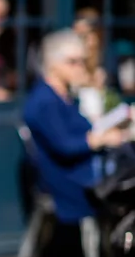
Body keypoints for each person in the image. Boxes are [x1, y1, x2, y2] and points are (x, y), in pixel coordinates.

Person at [22, 29, 126, 223]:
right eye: (73, 61)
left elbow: (84, 131)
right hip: (72, 179)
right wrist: (101, 139)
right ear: (53, 63)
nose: (80, 67)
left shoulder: (63, 96)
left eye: (82, 61)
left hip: (87, 169)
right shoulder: (45, 101)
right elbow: (66, 146)